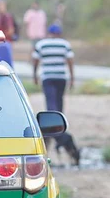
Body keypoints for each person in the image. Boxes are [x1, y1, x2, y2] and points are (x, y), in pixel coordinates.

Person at [32, 25, 80, 165]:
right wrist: (72, 77)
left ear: (49, 33)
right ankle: (58, 127)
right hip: (61, 78)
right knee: (58, 106)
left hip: (47, 78)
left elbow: (35, 60)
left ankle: (54, 128)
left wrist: (35, 75)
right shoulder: (64, 44)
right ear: (59, 33)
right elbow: (70, 61)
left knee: (51, 105)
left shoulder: (42, 44)